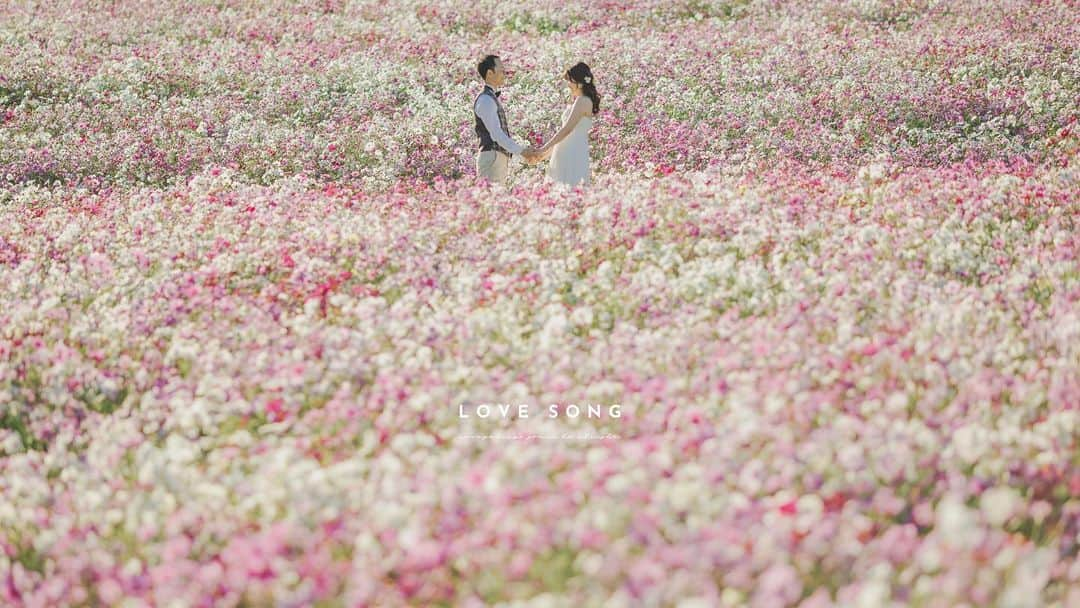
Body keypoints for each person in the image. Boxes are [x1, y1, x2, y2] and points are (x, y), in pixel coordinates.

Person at [473, 54, 540, 184]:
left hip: (496, 157)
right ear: (490, 73)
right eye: (501, 70)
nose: (505, 73)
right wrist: (522, 152)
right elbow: (497, 134)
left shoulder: (490, 98)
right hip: (492, 156)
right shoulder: (486, 100)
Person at [533, 62, 600, 188]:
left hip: (572, 153)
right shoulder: (579, 101)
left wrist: (543, 148)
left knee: (569, 188)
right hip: (566, 150)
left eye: (570, 81)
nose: (568, 85)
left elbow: (567, 130)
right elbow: (566, 135)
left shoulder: (583, 101)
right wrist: (544, 155)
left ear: (579, 83)